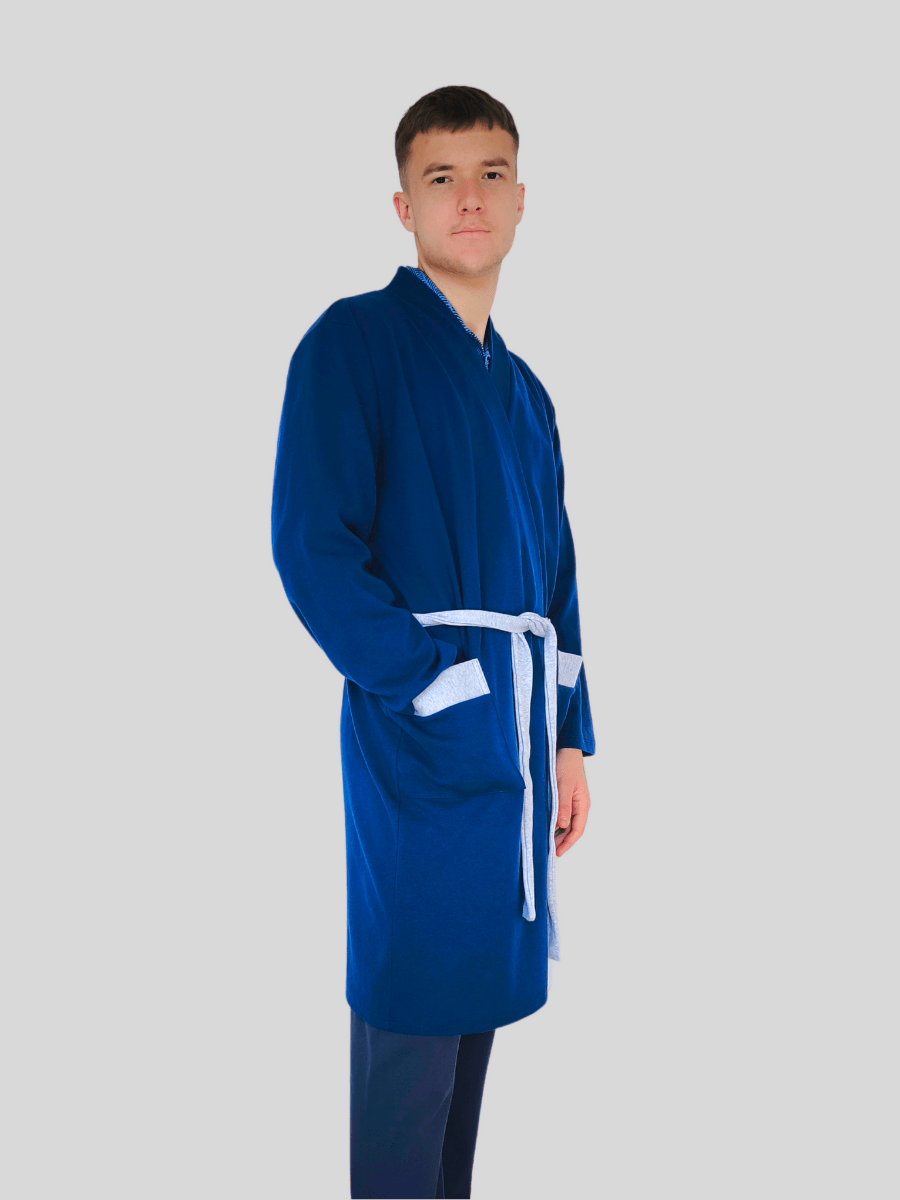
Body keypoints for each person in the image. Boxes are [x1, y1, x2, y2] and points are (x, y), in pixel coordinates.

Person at [271, 84, 595, 1199]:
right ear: (404, 205)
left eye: (491, 174)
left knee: (470, 1045)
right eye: (442, 177)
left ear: (521, 200)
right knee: (408, 1046)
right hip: (421, 745)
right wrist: (428, 683)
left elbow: (558, 579)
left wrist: (568, 739)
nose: (470, 199)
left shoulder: (528, 395)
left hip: (515, 754)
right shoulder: (352, 344)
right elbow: (312, 549)